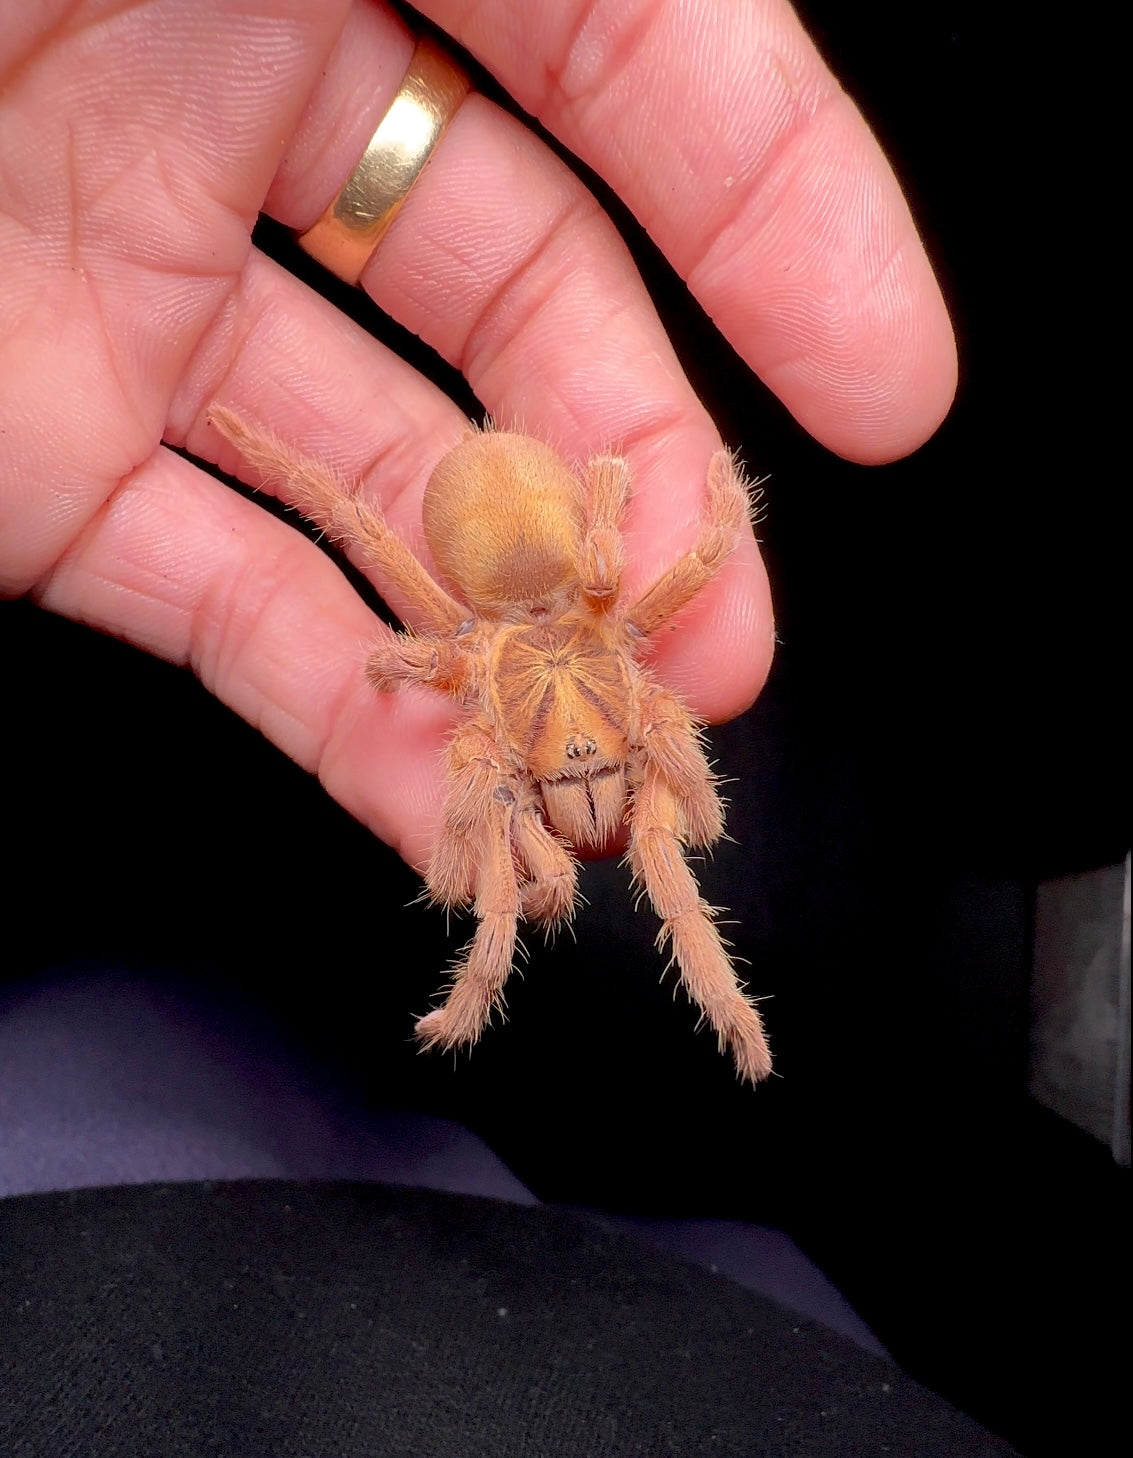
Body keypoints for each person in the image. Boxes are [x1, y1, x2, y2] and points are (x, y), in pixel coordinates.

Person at [3, 5, 1003, 1455]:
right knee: (558, 809)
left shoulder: (573, 636)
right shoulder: (545, 646)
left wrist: (703, 526)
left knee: (642, 832)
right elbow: (417, 579)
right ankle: (584, 1012)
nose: (602, 785)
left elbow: (667, 672)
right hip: (508, 563)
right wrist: (672, 533)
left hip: (519, 585)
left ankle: (724, 1026)